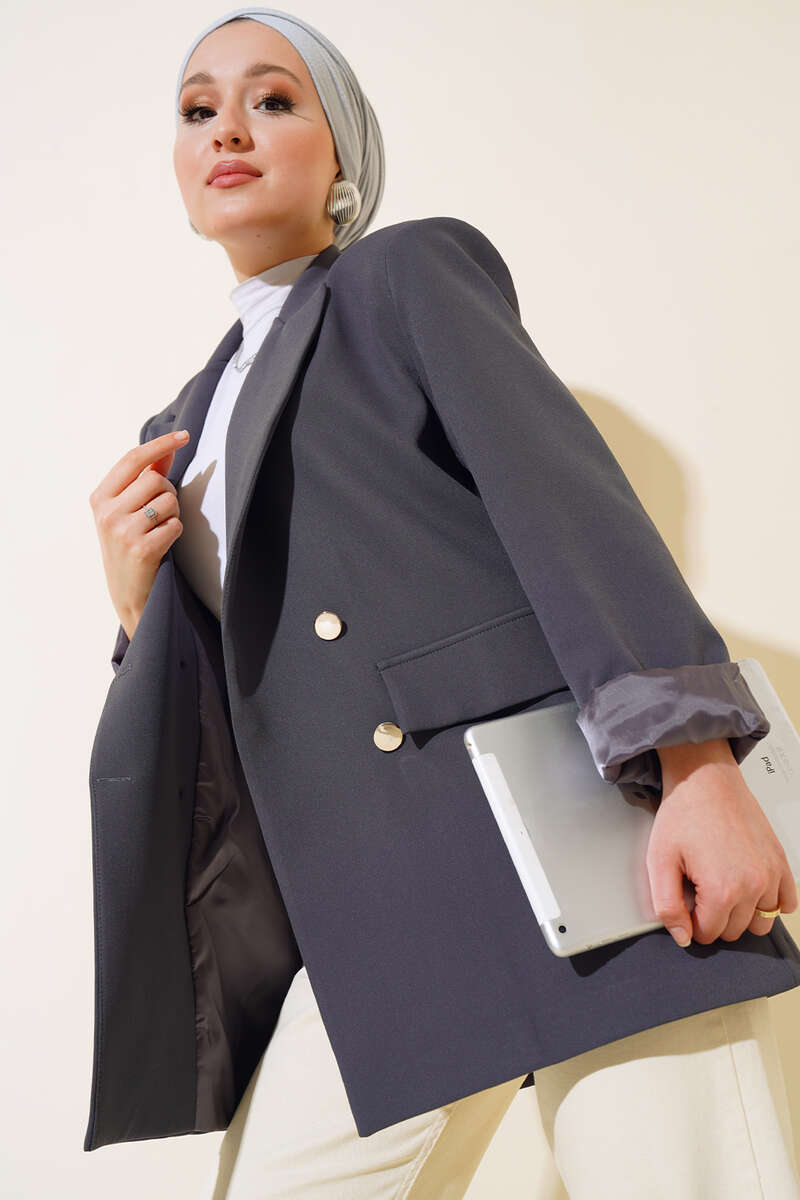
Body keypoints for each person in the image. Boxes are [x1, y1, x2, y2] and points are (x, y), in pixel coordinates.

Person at [87, 7, 800, 1197]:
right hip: (374, 909)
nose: (228, 131)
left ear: (343, 152)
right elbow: (241, 721)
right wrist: (135, 614)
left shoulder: (402, 276)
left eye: (273, 100)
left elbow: (566, 510)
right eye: (198, 110)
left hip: (590, 846)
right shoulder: (179, 425)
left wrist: (695, 767)